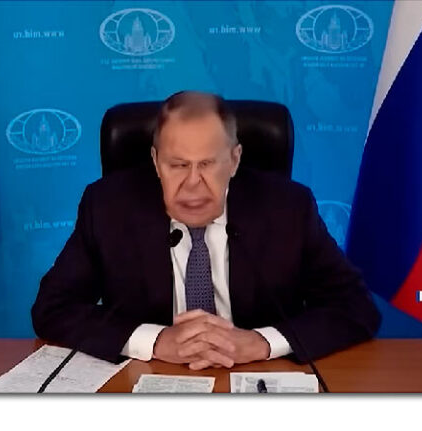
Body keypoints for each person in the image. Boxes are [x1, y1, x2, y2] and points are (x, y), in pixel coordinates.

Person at [32, 91, 381, 369]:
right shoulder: (109, 207)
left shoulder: (288, 208)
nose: (193, 184)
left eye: (207, 164)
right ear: (155, 162)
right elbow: (53, 308)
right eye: (178, 165)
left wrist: (261, 342)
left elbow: (356, 307)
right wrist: (155, 341)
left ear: (235, 160)